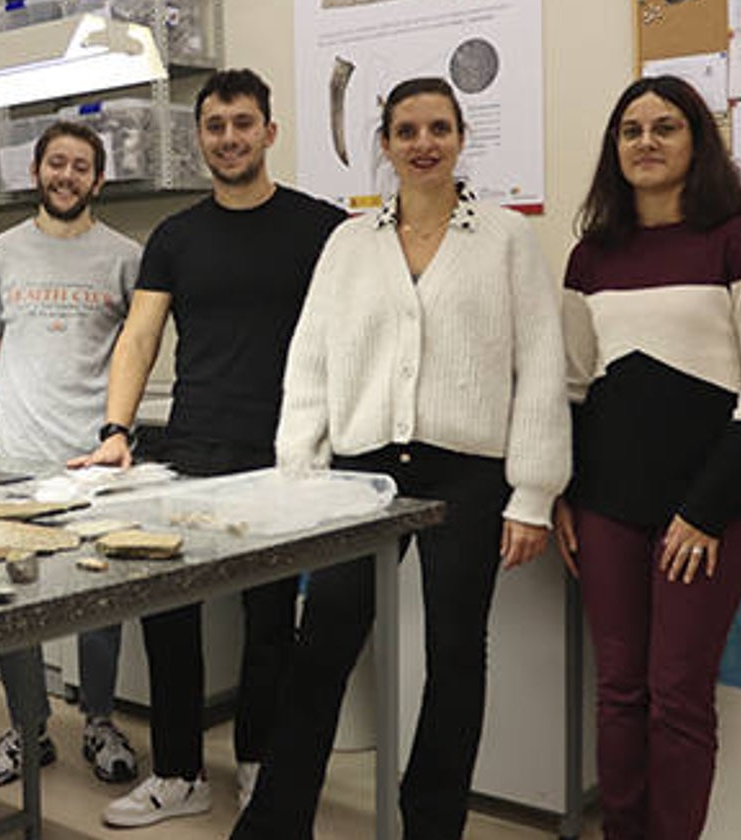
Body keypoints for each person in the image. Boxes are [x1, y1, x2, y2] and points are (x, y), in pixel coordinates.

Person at [232, 77, 570, 840]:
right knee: (322, 645)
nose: (424, 144)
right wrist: (300, 477)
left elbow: (541, 367)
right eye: (407, 131)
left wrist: (534, 494)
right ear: (384, 144)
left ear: (460, 138)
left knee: (455, 656)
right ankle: (275, 822)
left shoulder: (508, 238)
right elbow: (310, 361)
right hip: (360, 474)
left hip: (468, 473)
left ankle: (432, 825)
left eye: (439, 129)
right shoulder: (350, 243)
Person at [69, 68, 347, 827]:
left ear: (269, 132)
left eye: (243, 123)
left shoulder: (320, 228)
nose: (230, 138)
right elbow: (140, 335)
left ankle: (258, 762)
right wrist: (116, 432)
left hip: (283, 450)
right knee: (168, 611)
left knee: (268, 621)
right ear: (199, 138)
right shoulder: (176, 236)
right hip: (189, 446)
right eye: (216, 125)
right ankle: (181, 772)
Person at [553, 75, 741, 840]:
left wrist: (706, 507)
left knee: (678, 694)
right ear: (613, 148)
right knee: (620, 690)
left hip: (708, 506)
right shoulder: (591, 256)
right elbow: (574, 386)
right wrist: (562, 494)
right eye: (631, 130)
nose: (647, 142)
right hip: (607, 504)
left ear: (697, 140)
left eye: (666, 127)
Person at [0, 120, 141, 788]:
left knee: (99, 598)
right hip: (15, 458)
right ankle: (27, 727)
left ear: (98, 180)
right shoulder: (0, 254)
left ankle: (98, 720)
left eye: (81, 166)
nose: (67, 176)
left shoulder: (126, 256)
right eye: (56, 163)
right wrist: (17, 398)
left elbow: (138, 344)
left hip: (94, 460)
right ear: (37, 171)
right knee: (19, 600)